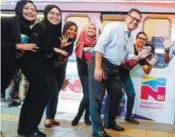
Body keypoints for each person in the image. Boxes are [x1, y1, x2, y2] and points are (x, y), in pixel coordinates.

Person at [88, 8, 150, 137]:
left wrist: (140, 56)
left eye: (137, 21)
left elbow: (129, 56)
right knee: (97, 97)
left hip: (114, 67)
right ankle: (97, 130)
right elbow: (99, 47)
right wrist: (98, 68)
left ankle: (109, 123)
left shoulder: (130, 36)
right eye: (133, 18)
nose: (134, 22)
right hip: (101, 62)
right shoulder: (113, 27)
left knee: (117, 94)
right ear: (127, 18)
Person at [17, 4, 68, 136]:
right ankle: (31, 129)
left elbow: (52, 55)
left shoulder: (56, 31)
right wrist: (53, 49)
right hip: (34, 67)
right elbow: (34, 47)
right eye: (52, 13)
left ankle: (25, 129)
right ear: (46, 13)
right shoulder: (40, 27)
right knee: (40, 98)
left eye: (58, 14)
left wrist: (59, 48)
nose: (55, 16)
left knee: (33, 98)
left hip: (44, 68)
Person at [1, 0, 38, 98]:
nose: (30, 11)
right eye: (26, 8)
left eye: (33, 10)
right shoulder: (6, 22)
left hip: (9, 72)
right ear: (19, 9)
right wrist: (19, 46)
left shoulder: (29, 30)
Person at [44, 21, 78, 128]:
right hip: (51, 71)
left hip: (61, 71)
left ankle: (52, 117)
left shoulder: (71, 42)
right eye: (70, 29)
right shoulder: (58, 38)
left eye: (75, 30)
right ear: (65, 29)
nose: (72, 32)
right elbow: (51, 54)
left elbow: (65, 57)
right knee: (52, 94)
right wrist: (61, 47)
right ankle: (48, 118)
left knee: (56, 95)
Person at [72, 23, 97, 126]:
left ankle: (87, 117)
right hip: (84, 73)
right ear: (85, 30)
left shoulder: (97, 43)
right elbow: (80, 60)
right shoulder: (80, 42)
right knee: (87, 95)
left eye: (94, 29)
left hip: (94, 73)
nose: (91, 30)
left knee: (91, 96)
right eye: (89, 28)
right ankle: (78, 117)